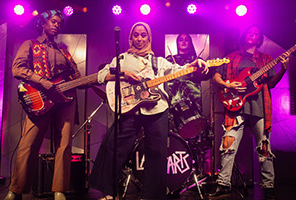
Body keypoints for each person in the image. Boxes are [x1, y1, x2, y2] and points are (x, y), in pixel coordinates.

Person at [89, 22, 209, 200]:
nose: (139, 38)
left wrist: (194, 63)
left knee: (157, 153)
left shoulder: (159, 61)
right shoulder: (121, 59)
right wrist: (124, 74)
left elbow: (179, 70)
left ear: (149, 37)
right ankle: (108, 192)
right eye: (135, 35)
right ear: (130, 38)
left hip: (157, 109)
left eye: (143, 35)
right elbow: (101, 75)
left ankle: (152, 196)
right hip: (129, 109)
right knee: (113, 146)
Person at [4, 10, 89, 200]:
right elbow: (17, 68)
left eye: (59, 23)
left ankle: (59, 190)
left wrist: (102, 78)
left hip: (66, 99)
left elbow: (77, 78)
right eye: (53, 21)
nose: (57, 25)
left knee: (64, 144)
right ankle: (16, 189)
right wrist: (41, 81)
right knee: (28, 143)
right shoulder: (30, 45)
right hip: (39, 99)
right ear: (43, 23)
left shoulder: (64, 52)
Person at [207, 25, 290, 199]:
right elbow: (216, 76)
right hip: (234, 107)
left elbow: (272, 83)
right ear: (244, 35)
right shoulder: (231, 57)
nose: (252, 35)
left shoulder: (266, 59)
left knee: (264, 148)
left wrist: (283, 68)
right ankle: (223, 185)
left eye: (256, 34)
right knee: (228, 146)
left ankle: (268, 186)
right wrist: (227, 85)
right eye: (250, 32)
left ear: (260, 39)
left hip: (259, 108)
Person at [165, 33, 212, 137]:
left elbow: (206, 76)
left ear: (190, 42)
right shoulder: (168, 60)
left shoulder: (196, 60)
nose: (183, 41)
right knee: (176, 127)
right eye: (181, 39)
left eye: (186, 39)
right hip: (175, 98)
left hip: (193, 96)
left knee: (196, 126)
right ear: (177, 43)